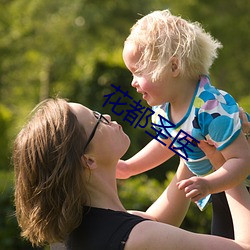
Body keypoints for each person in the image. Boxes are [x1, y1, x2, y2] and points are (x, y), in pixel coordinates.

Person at [13, 98, 250, 250]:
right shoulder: (138, 238)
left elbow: (156, 221)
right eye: (97, 120)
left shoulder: (72, 234)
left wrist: (192, 137)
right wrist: (226, 165)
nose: (106, 116)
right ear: (88, 160)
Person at [118, 9, 250, 239]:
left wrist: (209, 183)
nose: (133, 83)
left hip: (238, 186)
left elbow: (242, 160)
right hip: (221, 189)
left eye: (138, 72)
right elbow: (168, 142)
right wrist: (130, 167)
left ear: (173, 67)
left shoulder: (211, 108)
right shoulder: (164, 110)